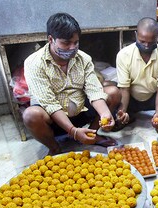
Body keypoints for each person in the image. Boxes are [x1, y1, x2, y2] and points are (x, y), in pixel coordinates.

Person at [23, 13, 121, 155]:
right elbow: (49, 103)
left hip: (81, 110)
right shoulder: (35, 63)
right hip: (54, 117)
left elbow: (94, 90)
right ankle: (54, 147)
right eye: (66, 43)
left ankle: (92, 134)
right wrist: (73, 131)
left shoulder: (83, 58)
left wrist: (105, 114)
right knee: (30, 115)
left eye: (76, 42)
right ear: (51, 39)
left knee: (112, 92)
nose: (72, 48)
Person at [116, 17, 158, 135]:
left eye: (151, 42)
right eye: (142, 41)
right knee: (109, 90)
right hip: (131, 98)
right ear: (136, 35)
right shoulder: (124, 55)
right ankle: (127, 116)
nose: (146, 46)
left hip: (153, 98)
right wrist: (122, 112)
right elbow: (124, 88)